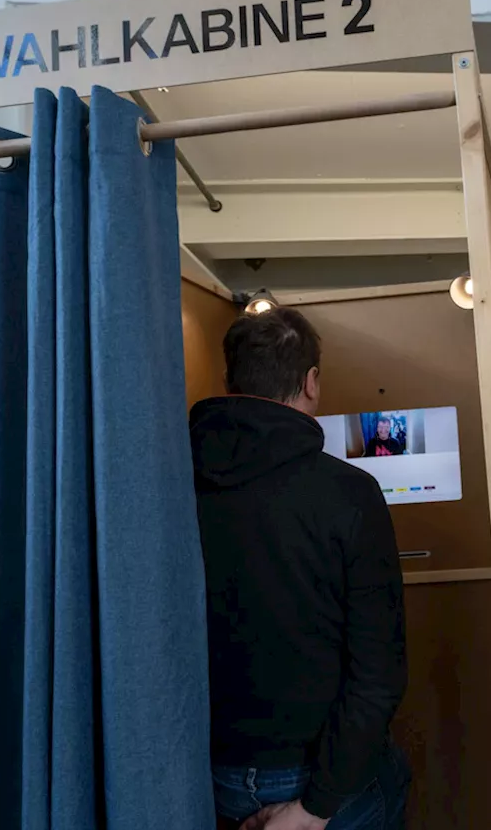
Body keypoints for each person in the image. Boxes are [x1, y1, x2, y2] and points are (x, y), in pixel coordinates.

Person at [189, 306, 409, 830]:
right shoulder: (350, 494)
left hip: (211, 774)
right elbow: (377, 672)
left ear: (228, 381)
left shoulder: (173, 486)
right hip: (326, 782)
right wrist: (316, 807)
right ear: (311, 382)